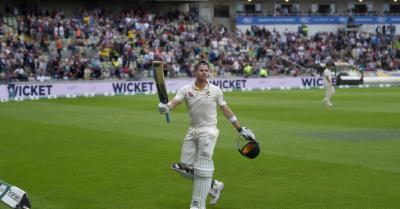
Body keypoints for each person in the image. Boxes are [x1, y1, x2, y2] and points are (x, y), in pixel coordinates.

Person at [158, 60, 255, 209]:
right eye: (201, 70)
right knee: (184, 168)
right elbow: (174, 102)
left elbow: (225, 109)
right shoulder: (186, 89)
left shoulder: (215, 90)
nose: (204, 73)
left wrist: (240, 128)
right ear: (195, 71)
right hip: (193, 130)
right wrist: (166, 107)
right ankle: (214, 185)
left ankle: (197, 205)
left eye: (206, 70)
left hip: (209, 130)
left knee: (203, 165)